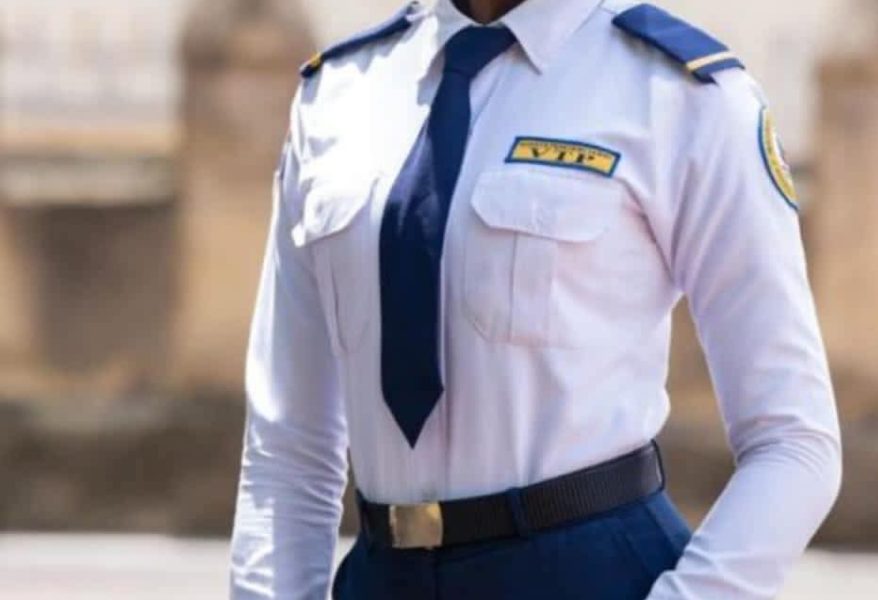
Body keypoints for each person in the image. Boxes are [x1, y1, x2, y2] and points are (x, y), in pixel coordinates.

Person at [229, 0, 842, 598]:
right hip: (381, 574)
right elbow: (287, 447)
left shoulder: (681, 95)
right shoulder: (339, 92)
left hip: (587, 571)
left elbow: (794, 442)